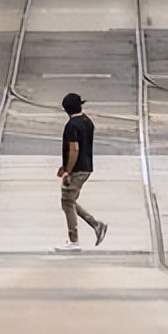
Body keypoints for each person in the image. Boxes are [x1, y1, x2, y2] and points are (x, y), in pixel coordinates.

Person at [54, 93, 107, 252]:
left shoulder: (72, 125)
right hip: (87, 166)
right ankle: (96, 225)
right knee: (70, 201)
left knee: (66, 202)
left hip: (77, 169)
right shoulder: (87, 122)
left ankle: (74, 240)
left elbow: (74, 149)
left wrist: (67, 171)